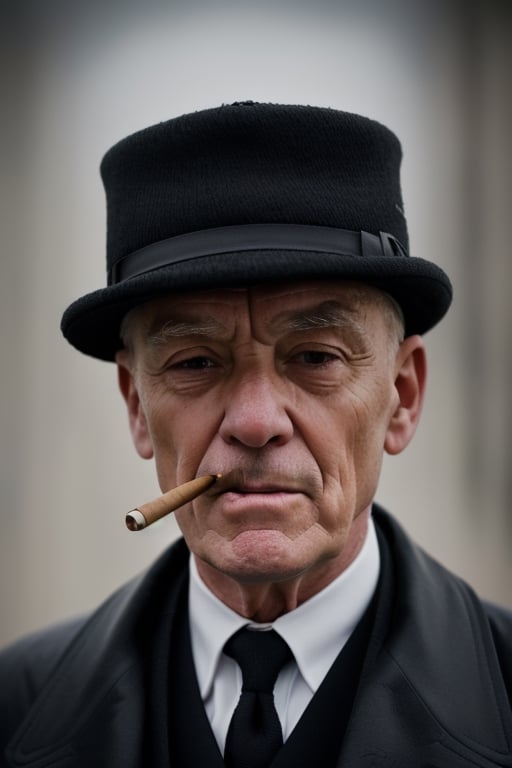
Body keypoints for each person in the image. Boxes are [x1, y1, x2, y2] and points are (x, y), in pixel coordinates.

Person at [1, 102, 511, 768]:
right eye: (196, 364)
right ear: (135, 404)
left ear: (403, 396)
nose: (255, 422)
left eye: (316, 357)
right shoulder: (16, 707)